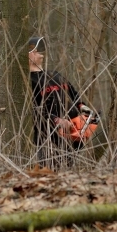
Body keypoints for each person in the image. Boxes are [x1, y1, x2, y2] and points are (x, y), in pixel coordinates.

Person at [28, 36, 97, 168]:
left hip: (72, 131)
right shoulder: (29, 81)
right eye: (35, 50)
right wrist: (57, 120)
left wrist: (82, 107)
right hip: (48, 136)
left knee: (68, 166)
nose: (39, 52)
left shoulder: (55, 75)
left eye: (40, 49)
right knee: (48, 170)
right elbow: (34, 109)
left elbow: (73, 93)